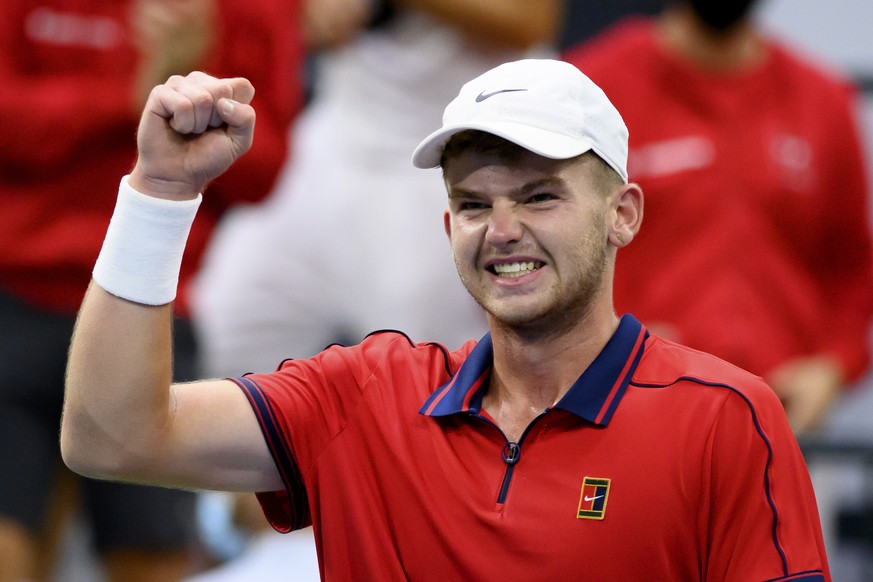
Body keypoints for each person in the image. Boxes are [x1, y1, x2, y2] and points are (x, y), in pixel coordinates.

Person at [61, 59, 831, 580]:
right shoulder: (362, 396)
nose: (501, 230)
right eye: (472, 203)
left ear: (621, 215)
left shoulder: (725, 419)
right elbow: (111, 435)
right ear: (446, 228)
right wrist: (159, 192)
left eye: (538, 196)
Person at [0, 1, 303, 580]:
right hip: (16, 294)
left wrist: (195, 106)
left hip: (151, 307)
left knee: (152, 557)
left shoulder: (253, 10)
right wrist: (130, 96)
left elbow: (264, 173)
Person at [190, 0, 560, 379]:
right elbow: (316, 23)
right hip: (342, 128)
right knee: (233, 312)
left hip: (460, 149)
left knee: (429, 371)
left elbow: (530, 22)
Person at [561, 0, 873, 435]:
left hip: (783, 426)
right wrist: (605, 343)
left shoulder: (822, 98)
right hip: (624, 415)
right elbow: (547, 246)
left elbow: (852, 264)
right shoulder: (591, 89)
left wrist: (832, 366)